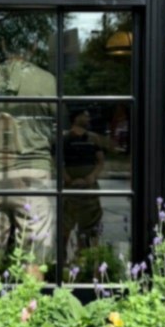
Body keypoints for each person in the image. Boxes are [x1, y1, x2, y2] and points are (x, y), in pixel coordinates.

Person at [0, 51, 56, 278]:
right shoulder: (47, 80)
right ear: (33, 48)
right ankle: (30, 310)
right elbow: (58, 125)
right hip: (33, 171)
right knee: (34, 252)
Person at [63, 107, 104, 256]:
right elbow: (57, 161)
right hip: (70, 189)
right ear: (76, 118)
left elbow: (100, 161)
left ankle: (85, 259)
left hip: (89, 189)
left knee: (90, 226)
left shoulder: (93, 138)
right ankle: (63, 261)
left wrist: (92, 176)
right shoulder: (65, 138)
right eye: (85, 116)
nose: (88, 119)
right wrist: (66, 177)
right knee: (65, 224)